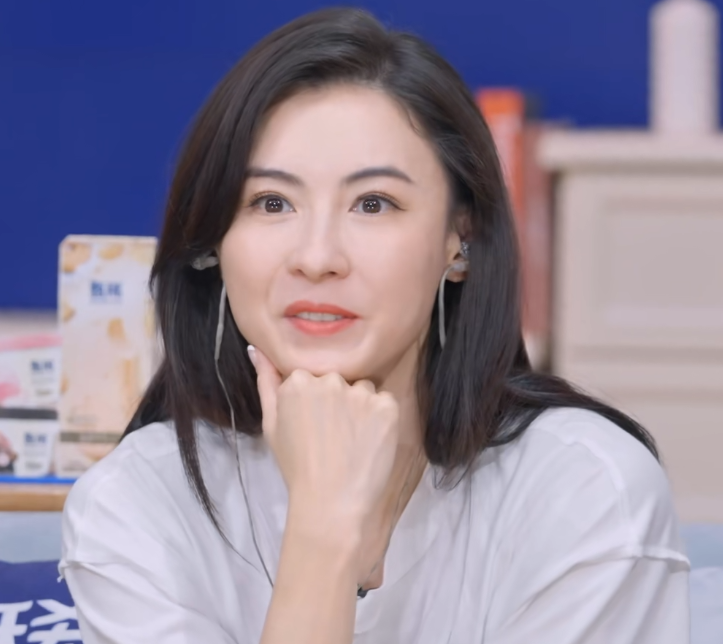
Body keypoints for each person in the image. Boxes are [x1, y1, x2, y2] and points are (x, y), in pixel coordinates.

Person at [59, 8, 690, 644]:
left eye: (373, 203)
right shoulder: (136, 504)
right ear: (213, 243)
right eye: (272, 203)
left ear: (459, 241)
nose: (317, 257)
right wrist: (325, 538)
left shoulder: (586, 490)